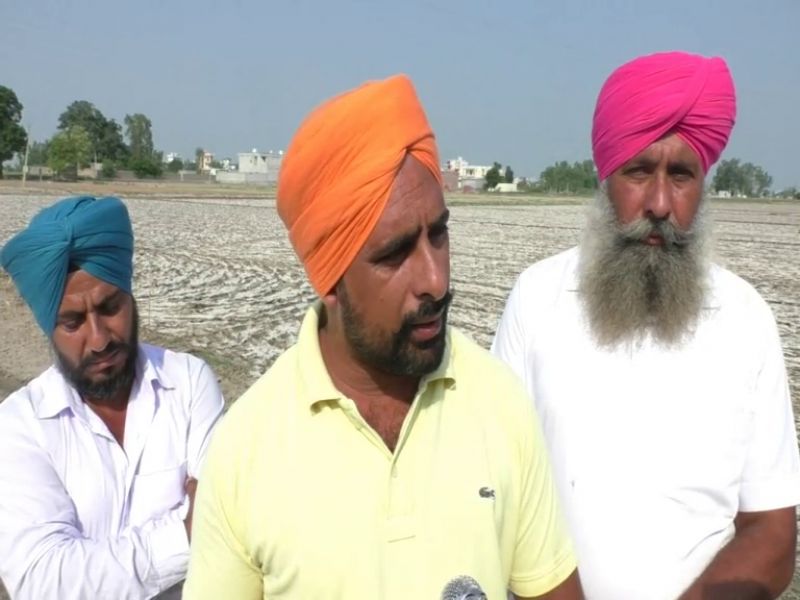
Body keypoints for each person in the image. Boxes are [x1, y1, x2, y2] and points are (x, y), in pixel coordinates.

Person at [183, 74, 582, 600]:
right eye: (395, 254)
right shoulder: (244, 450)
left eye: (438, 234)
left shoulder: (500, 403)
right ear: (330, 280)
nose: (435, 279)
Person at [492, 51, 800, 599]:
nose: (659, 203)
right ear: (606, 176)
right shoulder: (537, 299)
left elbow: (772, 532)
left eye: (680, 175)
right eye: (638, 172)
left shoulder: (745, 318)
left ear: (702, 184)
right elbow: (496, 494)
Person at [0, 196, 225, 599]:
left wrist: (86, 563)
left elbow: (230, 528)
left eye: (110, 307)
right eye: (73, 323)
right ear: (47, 328)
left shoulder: (188, 384)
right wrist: (185, 532)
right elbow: (43, 582)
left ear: (131, 298)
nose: (100, 339)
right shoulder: (19, 425)